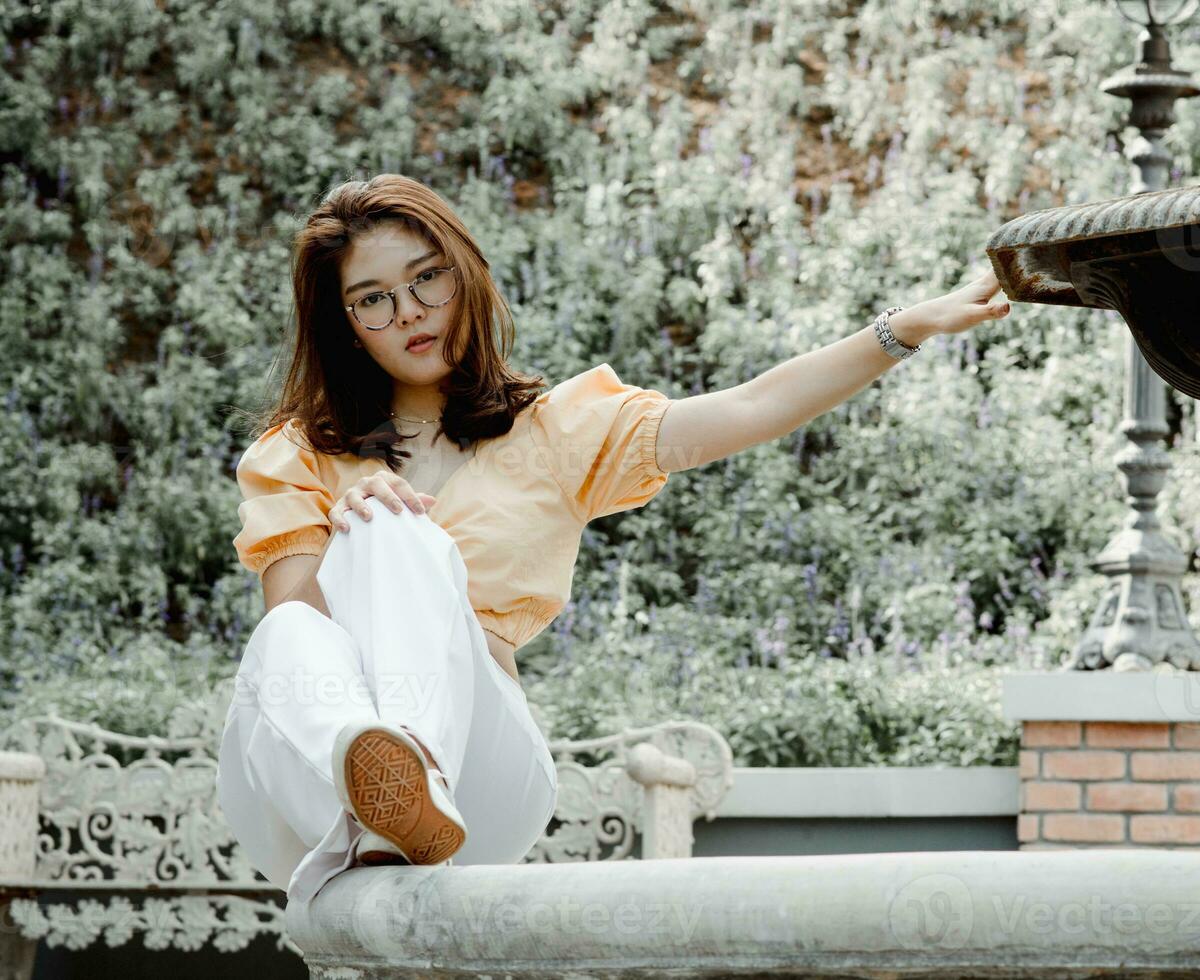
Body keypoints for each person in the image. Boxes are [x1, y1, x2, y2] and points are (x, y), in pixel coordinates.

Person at [215, 173, 1012, 906]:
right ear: (347, 325)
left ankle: (412, 785)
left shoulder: (557, 429)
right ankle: (376, 780)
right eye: (373, 299)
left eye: (427, 277)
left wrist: (904, 328)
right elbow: (298, 621)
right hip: (314, 773)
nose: (410, 312)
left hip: (483, 779)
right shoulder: (297, 454)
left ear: (465, 273)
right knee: (326, 585)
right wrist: (361, 512)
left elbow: (749, 406)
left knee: (399, 531)